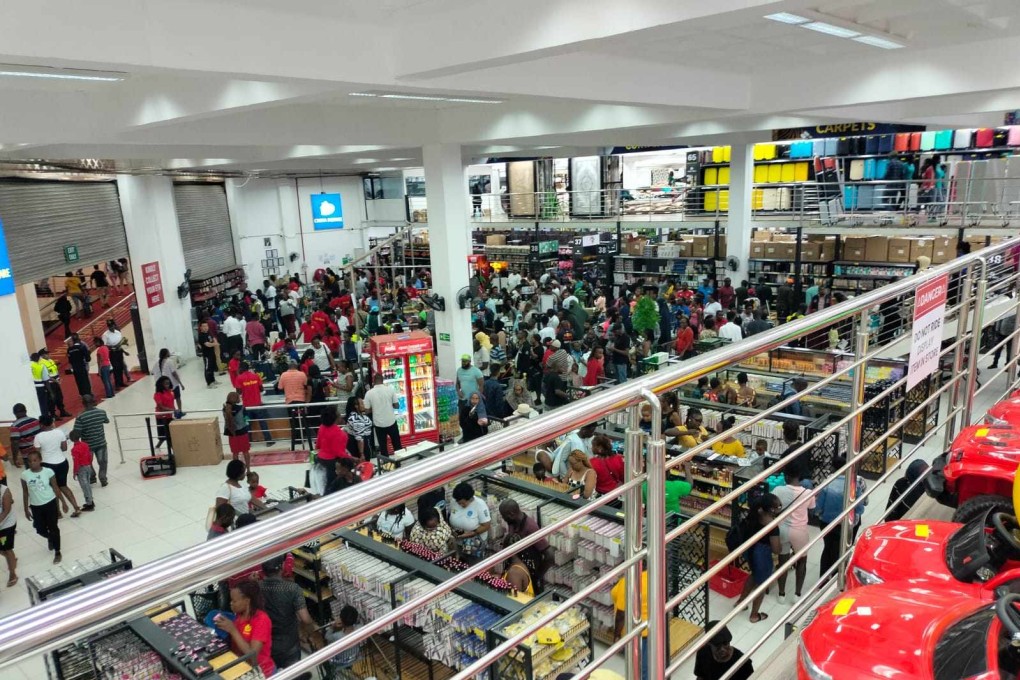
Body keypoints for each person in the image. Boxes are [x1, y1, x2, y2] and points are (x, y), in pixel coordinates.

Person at [259, 554, 315, 673]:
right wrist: (308, 633)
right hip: (290, 645)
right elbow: (305, 619)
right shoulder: (293, 589)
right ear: (283, 566)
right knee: (294, 675)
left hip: (267, 644)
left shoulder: (257, 588)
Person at [814, 456, 867, 578]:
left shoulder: (827, 483)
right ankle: (837, 578)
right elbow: (859, 509)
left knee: (827, 548)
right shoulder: (854, 485)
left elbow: (818, 508)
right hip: (846, 524)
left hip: (827, 523)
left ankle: (823, 579)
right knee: (841, 551)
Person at [214, 580, 276, 677]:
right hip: (240, 666)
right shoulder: (239, 614)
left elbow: (253, 657)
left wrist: (233, 630)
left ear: (247, 601)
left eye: (234, 601)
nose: (231, 603)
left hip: (260, 671)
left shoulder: (262, 620)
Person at [773, 463, 815, 602]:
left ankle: (781, 594)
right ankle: (797, 594)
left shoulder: (778, 490)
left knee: (783, 562)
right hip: (800, 531)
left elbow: (772, 506)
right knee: (802, 561)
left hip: (782, 530)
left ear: (786, 476)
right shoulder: (808, 493)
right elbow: (811, 508)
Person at [738, 493, 782, 623]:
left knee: (753, 575)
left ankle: (741, 602)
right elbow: (776, 549)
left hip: (749, 550)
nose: (780, 507)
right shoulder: (772, 526)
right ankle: (754, 615)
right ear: (772, 509)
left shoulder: (754, 516)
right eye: (779, 506)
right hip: (762, 554)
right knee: (761, 584)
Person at [22, 450, 68, 564]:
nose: (32, 463)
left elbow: (56, 488)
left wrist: (63, 502)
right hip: (36, 506)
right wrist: (25, 509)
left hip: (50, 503)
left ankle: (57, 551)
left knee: (54, 528)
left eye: (35, 460)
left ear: (40, 460)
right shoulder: (24, 475)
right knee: (40, 529)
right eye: (30, 461)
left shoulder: (48, 472)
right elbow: (25, 492)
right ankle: (49, 538)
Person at [34, 416, 81, 517]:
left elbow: (37, 455)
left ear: (41, 424)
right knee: (63, 486)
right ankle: (76, 507)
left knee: (52, 489)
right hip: (62, 463)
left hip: (47, 465)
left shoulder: (38, 437)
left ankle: (58, 512)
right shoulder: (59, 432)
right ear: (51, 423)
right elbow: (64, 448)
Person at [499, 499, 554, 583]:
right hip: (517, 569)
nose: (503, 519)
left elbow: (550, 555)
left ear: (511, 514)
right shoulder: (513, 522)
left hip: (529, 574)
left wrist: (536, 577)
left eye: (504, 516)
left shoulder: (530, 527)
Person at [612, 564, 649, 680]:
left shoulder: (627, 583)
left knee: (638, 668)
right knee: (646, 666)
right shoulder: (650, 576)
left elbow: (621, 615)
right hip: (650, 627)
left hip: (635, 632)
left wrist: (617, 635)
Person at [450, 481, 492, 562]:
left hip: (474, 543)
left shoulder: (480, 505)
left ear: (470, 498)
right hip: (459, 542)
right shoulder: (454, 501)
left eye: (463, 503)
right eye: (459, 503)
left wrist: (471, 533)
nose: (461, 505)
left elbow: (486, 525)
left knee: (474, 564)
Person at [236, 362, 275, 446]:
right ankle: (269, 441)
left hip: (247, 407)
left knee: (247, 424)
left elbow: (238, 392)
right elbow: (261, 389)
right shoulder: (256, 376)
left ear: (241, 369)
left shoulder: (239, 378)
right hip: (258, 404)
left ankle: (248, 442)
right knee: (263, 423)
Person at [364, 374, 402, 455]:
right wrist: (388, 404)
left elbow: (366, 411)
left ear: (373, 381)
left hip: (379, 424)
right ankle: (399, 463)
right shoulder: (390, 390)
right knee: (397, 445)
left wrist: (374, 407)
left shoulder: (369, 393)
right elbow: (397, 406)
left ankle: (386, 464)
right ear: (382, 380)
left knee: (383, 447)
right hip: (391, 421)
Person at [276, 361, 310, 450]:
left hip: (290, 401)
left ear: (288, 367)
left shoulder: (283, 375)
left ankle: (296, 439)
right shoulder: (302, 374)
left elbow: (280, 388)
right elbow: (306, 385)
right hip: (301, 400)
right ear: (296, 366)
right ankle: (304, 437)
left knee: (293, 421)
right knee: (303, 420)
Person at [316, 409, 349, 490]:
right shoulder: (341, 434)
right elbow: (340, 453)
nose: (341, 417)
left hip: (320, 459)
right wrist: (352, 459)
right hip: (331, 462)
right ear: (336, 419)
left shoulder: (321, 427)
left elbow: (318, 445)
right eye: (340, 415)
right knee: (331, 485)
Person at [323, 606, 363, 672]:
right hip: (356, 657)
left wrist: (332, 627)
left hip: (341, 663)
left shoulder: (336, 636)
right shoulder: (360, 628)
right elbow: (357, 624)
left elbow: (326, 636)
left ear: (341, 620)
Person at [223, 391, 252, 470]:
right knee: (245, 452)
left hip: (232, 435)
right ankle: (248, 469)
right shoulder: (242, 408)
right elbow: (247, 419)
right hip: (242, 433)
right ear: (237, 399)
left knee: (235, 453)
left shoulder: (225, 409)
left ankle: (236, 470)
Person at [39, 349, 71, 419]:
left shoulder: (50, 360)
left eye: (48, 353)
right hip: (50, 384)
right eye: (46, 354)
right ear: (42, 355)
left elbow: (55, 370)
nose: (48, 355)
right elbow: (46, 376)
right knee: (52, 399)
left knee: (59, 397)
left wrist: (58, 378)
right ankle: (53, 414)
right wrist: (55, 380)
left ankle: (62, 411)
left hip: (56, 382)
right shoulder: (42, 363)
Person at [69, 430, 95, 512]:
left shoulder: (74, 450)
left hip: (81, 469)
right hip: (88, 466)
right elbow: (89, 455)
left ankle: (89, 503)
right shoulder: (85, 445)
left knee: (84, 486)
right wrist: (90, 464)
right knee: (88, 484)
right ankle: (91, 500)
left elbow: (76, 462)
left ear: (71, 439)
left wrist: (74, 472)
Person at [102, 319, 130, 390]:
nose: (111, 327)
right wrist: (112, 347)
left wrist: (124, 351)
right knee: (116, 367)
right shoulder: (105, 335)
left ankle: (121, 382)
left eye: (112, 325)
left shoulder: (118, 332)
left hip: (119, 351)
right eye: (109, 326)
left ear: (114, 325)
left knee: (120, 367)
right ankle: (117, 384)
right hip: (112, 353)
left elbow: (120, 343)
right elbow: (104, 346)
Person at [344, 396, 374, 460]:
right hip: (359, 447)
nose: (364, 405)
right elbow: (359, 439)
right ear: (356, 406)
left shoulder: (358, 415)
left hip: (364, 442)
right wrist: (362, 454)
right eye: (362, 403)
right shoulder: (356, 419)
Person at [10, 404, 40, 469]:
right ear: (26, 411)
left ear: (14, 413)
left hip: (28, 457)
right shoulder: (35, 420)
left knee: (32, 477)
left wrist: (15, 458)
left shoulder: (15, 426)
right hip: (40, 453)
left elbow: (15, 443)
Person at [0, 477, 17, 586]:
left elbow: (6, 511)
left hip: (6, 525)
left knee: (7, 549)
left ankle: (13, 574)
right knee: (2, 550)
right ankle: (12, 560)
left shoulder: (4, 491)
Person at [153, 377, 177, 455]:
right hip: (161, 417)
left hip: (169, 416)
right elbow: (161, 407)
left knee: (168, 434)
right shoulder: (157, 394)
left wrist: (175, 410)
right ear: (161, 384)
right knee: (165, 435)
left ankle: (157, 447)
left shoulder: (170, 391)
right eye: (166, 383)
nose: (168, 385)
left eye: (168, 383)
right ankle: (175, 452)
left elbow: (172, 403)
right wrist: (172, 410)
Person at [66, 333, 92, 398]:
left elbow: (70, 361)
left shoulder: (69, 350)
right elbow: (88, 359)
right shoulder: (82, 347)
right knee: (86, 383)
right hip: (82, 368)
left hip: (75, 370)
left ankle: (83, 396)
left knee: (79, 383)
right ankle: (89, 397)